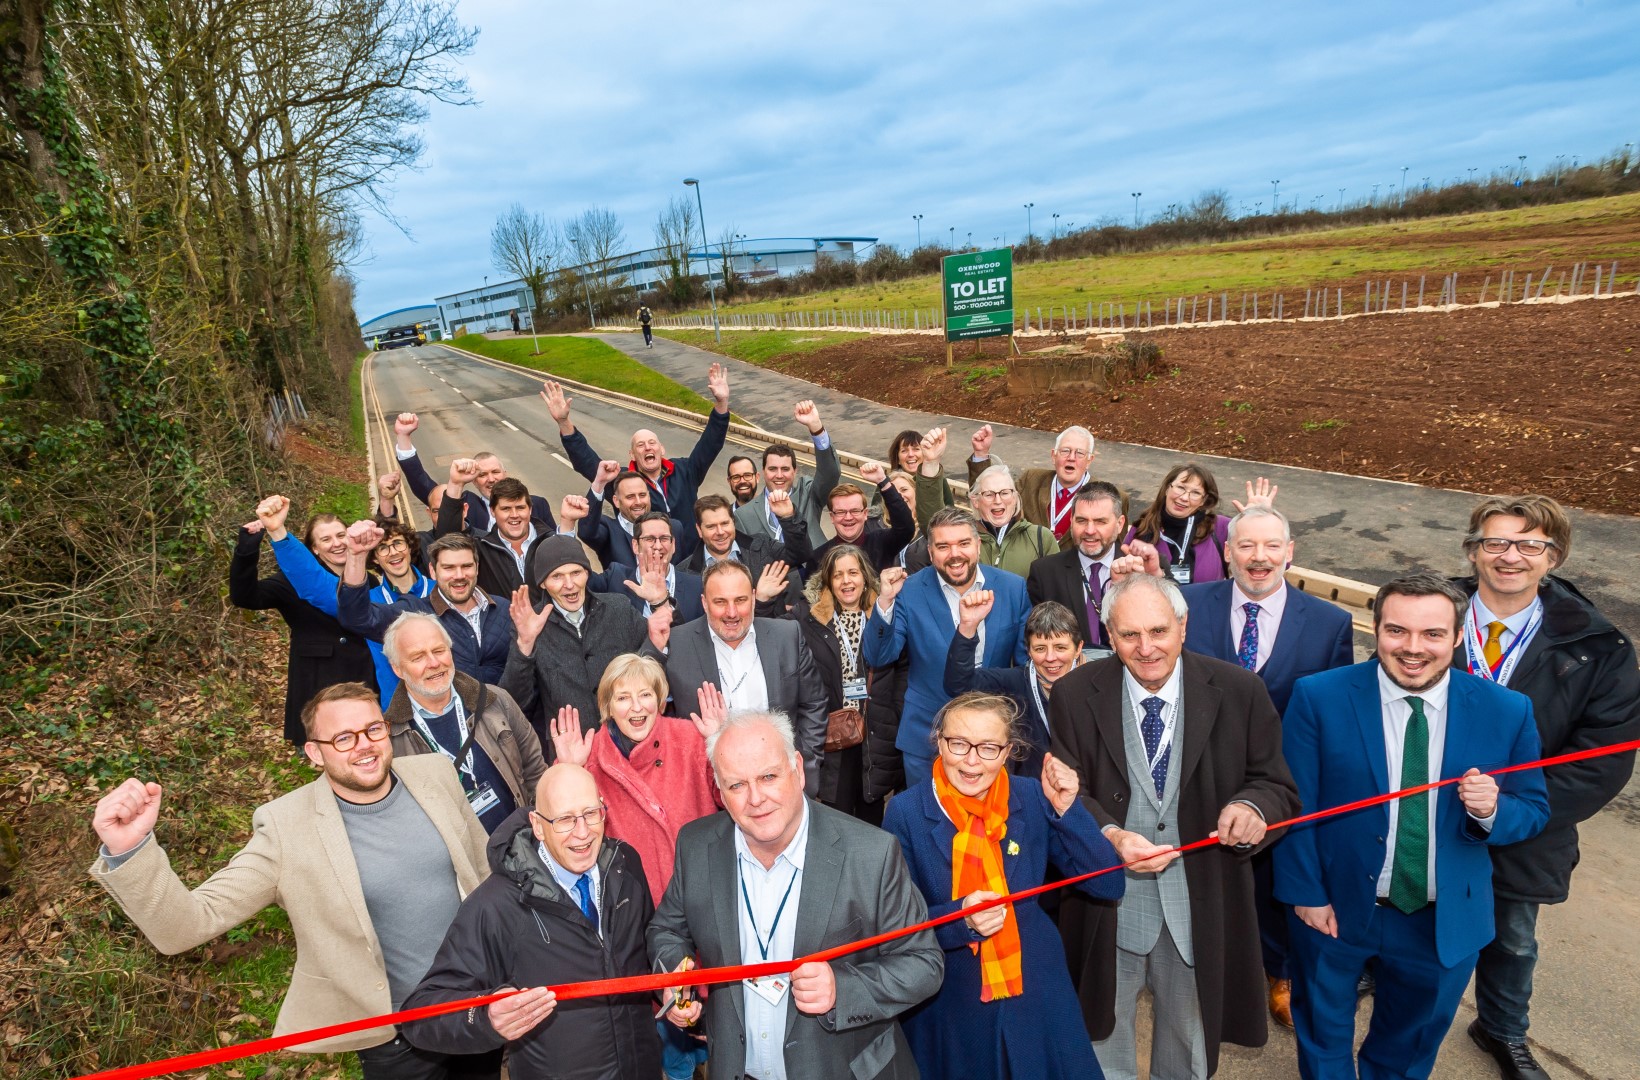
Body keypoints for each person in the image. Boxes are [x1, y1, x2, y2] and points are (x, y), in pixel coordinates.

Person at [90, 683, 494, 1079]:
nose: (365, 745)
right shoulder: (285, 829)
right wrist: (131, 850)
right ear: (315, 753)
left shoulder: (435, 775)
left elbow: (486, 874)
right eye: (343, 738)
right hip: (398, 1034)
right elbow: (186, 926)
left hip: (477, 1000)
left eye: (373, 729)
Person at [1274, 573, 1550, 1080]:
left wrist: (1491, 811)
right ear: (1374, 630)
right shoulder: (1318, 696)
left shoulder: (1506, 711)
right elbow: (1294, 805)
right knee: (1322, 1038)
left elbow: (1532, 809)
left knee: (1407, 1050)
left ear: (1458, 635)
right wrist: (1307, 894)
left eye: (1432, 634)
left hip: (1441, 922)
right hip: (1333, 912)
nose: (1413, 649)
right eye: (1396, 631)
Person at [1048, 574, 1300, 1080]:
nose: (1146, 648)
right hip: (1108, 907)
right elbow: (1065, 794)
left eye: (1159, 631)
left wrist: (1253, 807)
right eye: (1129, 635)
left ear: (1183, 627)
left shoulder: (1240, 691)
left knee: (1188, 1044)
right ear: (1108, 636)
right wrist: (1111, 835)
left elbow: (1277, 786)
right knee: (1100, 1032)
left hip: (1198, 907)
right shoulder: (1075, 693)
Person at [647, 710, 945, 1080]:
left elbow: (924, 964)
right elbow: (666, 931)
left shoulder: (872, 853)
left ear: (798, 770)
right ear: (718, 791)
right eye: (737, 785)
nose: (756, 798)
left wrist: (843, 989)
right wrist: (678, 984)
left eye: (768, 776)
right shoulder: (696, 845)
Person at [1451, 495, 1640, 1080]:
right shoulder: (1427, 613)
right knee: (1401, 904)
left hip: (1529, 826)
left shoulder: (1597, 646)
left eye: (1530, 545)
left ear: (1553, 557)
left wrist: (1509, 811)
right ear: (1474, 550)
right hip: (1421, 811)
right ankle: (1383, 972)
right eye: (1496, 542)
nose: (1511, 556)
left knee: (1512, 939)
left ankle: (1501, 1028)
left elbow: (1601, 759)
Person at [884, 692, 1125, 1079]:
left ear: (1008, 751)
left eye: (988, 747)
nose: (971, 760)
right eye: (958, 744)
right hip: (951, 997)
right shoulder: (907, 812)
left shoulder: (1030, 796)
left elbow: (1109, 884)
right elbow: (896, 928)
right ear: (939, 742)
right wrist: (961, 919)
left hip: (1036, 984)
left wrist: (1068, 809)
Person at [1177, 504, 1354, 1027]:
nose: (1259, 559)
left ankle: (1281, 971)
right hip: (1198, 775)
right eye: (1246, 547)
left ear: (1290, 553)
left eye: (1271, 547)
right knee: (1203, 882)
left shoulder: (1329, 624)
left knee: (1280, 882)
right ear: (1227, 554)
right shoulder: (1187, 605)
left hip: (1283, 781)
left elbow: (1333, 710)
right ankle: (1201, 967)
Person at [400, 764, 661, 1079]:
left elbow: (649, 949)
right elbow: (419, 1014)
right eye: (564, 819)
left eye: (591, 813)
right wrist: (484, 1016)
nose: (583, 832)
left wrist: (672, 988)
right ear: (538, 826)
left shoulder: (624, 865)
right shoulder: (496, 905)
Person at [549, 658, 723, 1080]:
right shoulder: (592, 760)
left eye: (645, 694)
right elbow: (562, 832)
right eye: (623, 697)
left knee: (718, 1028)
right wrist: (567, 768)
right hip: (640, 919)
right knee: (669, 1037)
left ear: (661, 699)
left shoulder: (689, 738)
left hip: (703, 902)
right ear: (607, 706)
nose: (636, 707)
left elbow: (727, 800)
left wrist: (719, 746)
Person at [862, 506, 1032, 786]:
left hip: (994, 741)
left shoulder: (1013, 588)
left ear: (977, 545)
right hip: (926, 737)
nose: (955, 554)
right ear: (930, 552)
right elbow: (879, 656)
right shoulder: (909, 591)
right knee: (926, 825)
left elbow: (1026, 667)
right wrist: (885, 602)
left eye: (963, 543)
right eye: (943, 546)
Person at [657, 560, 831, 797]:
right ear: (704, 603)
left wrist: (804, 767)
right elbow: (648, 702)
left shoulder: (786, 635)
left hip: (782, 784)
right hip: (709, 791)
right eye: (720, 602)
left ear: (753, 596)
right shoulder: (676, 642)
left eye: (740, 600)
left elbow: (814, 703)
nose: (732, 613)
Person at [383, 612, 545, 834]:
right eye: (418, 657)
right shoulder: (390, 738)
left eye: (439, 651)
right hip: (463, 863)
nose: (433, 663)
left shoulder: (495, 701)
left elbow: (535, 771)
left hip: (524, 842)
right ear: (397, 669)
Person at [230, 502, 377, 745]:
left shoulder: (366, 579)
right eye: (326, 539)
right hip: (320, 680)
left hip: (364, 679)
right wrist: (247, 547)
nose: (337, 543)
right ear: (315, 549)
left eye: (341, 535)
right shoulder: (291, 581)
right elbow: (244, 596)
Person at [500, 534, 670, 743]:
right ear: (543, 583)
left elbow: (662, 659)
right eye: (557, 576)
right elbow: (515, 704)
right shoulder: (530, 625)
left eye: (576, 572)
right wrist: (525, 645)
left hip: (632, 746)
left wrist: (660, 603)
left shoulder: (619, 609)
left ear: (588, 573)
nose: (569, 584)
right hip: (574, 755)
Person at [546, 364, 730, 525]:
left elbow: (710, 444)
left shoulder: (685, 470)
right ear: (632, 455)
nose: (648, 447)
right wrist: (564, 422)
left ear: (662, 449)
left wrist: (721, 403)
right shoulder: (621, 481)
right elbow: (585, 460)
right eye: (640, 445)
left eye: (652, 443)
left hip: (689, 561)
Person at [338, 532, 514, 687]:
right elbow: (358, 619)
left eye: (466, 566)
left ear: (477, 568)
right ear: (432, 571)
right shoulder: (414, 611)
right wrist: (356, 556)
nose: (459, 576)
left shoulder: (504, 608)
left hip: (505, 719)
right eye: (448, 568)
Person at [795, 544, 893, 823]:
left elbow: (901, 669)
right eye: (838, 575)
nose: (846, 581)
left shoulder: (886, 613)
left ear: (865, 578)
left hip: (875, 736)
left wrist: (892, 717)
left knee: (871, 818)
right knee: (835, 819)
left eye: (853, 572)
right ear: (828, 581)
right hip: (833, 736)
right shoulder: (808, 618)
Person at [946, 597, 1087, 778]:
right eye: (1040, 649)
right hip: (1033, 793)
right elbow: (959, 685)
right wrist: (967, 627)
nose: (1051, 658)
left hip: (1086, 794)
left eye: (1060, 647)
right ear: (1028, 651)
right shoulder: (1016, 682)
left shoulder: (1099, 682)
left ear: (1078, 648)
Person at [391, 413, 553, 534]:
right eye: (482, 475)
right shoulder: (464, 504)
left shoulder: (538, 505)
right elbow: (422, 484)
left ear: (505, 474)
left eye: (495, 472)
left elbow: (556, 542)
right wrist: (403, 436)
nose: (491, 479)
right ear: (474, 481)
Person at [967, 422, 1121, 546]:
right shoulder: (1031, 480)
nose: (1071, 458)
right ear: (1053, 456)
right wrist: (981, 454)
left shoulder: (1108, 497)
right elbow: (990, 496)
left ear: (1089, 460)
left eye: (1080, 453)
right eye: (1065, 451)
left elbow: (1114, 548)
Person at [1027, 483, 1130, 651]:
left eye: (1100, 522)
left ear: (1119, 524)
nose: (1089, 530)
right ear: (1071, 521)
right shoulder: (1045, 573)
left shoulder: (1141, 569)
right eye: (1081, 521)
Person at [569, 502, 705, 623]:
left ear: (673, 544)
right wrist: (567, 525)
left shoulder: (698, 586)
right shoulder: (616, 578)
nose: (658, 546)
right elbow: (575, 581)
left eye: (664, 538)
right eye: (650, 539)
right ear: (635, 545)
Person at [434, 463, 554, 597]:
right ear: (492, 511)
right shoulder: (481, 549)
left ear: (530, 509)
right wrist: (456, 484)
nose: (514, 515)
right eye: (505, 509)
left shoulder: (552, 542)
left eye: (520, 507)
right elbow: (447, 540)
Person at [733, 400, 842, 546]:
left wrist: (815, 427)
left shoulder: (808, 495)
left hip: (812, 568)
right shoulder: (743, 515)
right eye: (772, 469)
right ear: (763, 472)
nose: (779, 475)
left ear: (795, 471)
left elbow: (830, 474)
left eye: (785, 469)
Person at [684, 492, 809, 614]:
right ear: (699, 530)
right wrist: (759, 600)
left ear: (733, 522)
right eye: (711, 527)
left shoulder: (762, 546)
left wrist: (788, 518)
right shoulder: (684, 573)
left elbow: (800, 554)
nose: (720, 531)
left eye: (725, 523)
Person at [575, 462, 688, 569]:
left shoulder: (673, 528)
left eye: (642, 495)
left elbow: (683, 572)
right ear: (616, 501)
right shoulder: (608, 529)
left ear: (649, 497)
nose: (638, 502)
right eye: (630, 497)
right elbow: (586, 532)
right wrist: (599, 483)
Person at [807, 465, 914, 575]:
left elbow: (906, 527)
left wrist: (883, 481)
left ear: (865, 514)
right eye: (841, 512)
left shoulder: (882, 543)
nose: (848, 517)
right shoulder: (817, 558)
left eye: (855, 511)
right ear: (832, 517)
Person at [969, 462, 1057, 578]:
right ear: (976, 501)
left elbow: (1056, 588)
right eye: (989, 494)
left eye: (1005, 493)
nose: (998, 500)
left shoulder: (1041, 537)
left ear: (1015, 498)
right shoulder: (964, 539)